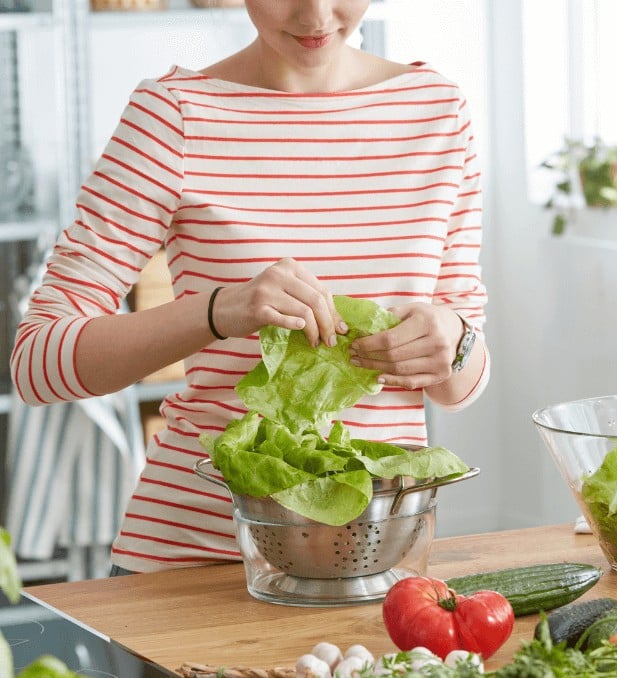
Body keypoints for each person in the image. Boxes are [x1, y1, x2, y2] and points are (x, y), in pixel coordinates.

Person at [9, 0, 489, 574]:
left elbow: (460, 383)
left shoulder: (436, 111)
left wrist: (453, 341)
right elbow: (35, 364)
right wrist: (218, 311)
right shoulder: (175, 115)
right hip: (195, 563)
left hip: (374, 560)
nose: (315, 15)